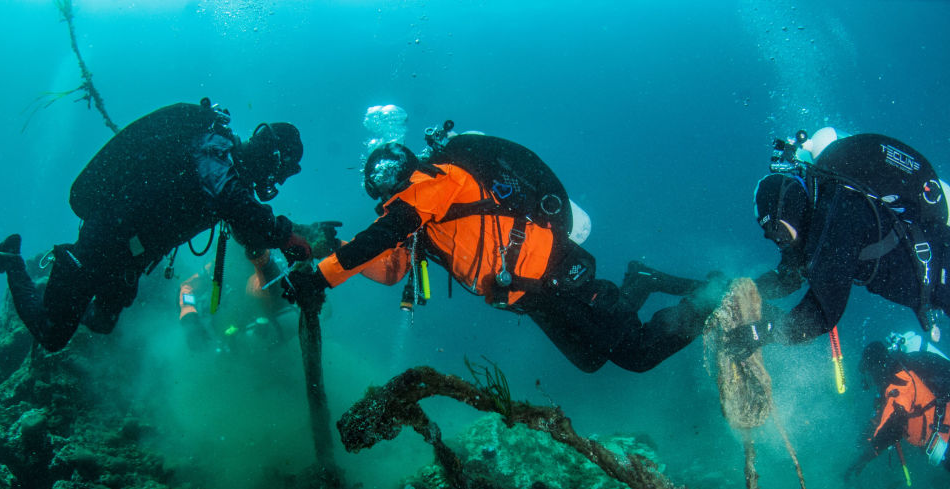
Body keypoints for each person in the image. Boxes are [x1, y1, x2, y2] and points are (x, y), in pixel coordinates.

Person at [287, 126, 724, 373]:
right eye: (376, 179)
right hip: (526, 295)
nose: (385, 181)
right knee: (591, 359)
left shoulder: (437, 181)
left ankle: (710, 303)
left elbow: (380, 236)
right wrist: (334, 247)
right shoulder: (415, 221)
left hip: (553, 268)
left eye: (388, 170)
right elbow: (390, 269)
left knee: (636, 353)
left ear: (406, 163)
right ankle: (640, 280)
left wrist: (320, 276)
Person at [0, 98, 316, 352]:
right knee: (52, 335)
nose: (276, 181)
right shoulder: (214, 147)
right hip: (106, 238)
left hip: (128, 257)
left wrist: (291, 245)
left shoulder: (229, 173)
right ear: (271, 153)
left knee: (101, 320)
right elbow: (231, 201)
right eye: (280, 170)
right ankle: (14, 259)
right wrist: (285, 234)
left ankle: (64, 286)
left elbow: (245, 226)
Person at [727, 128, 950, 360]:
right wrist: (741, 289)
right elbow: (788, 278)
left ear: (790, 209)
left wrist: (763, 332)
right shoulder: (820, 219)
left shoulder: (840, 213)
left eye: (778, 232)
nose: (780, 243)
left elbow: (823, 313)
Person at [846, 340, 950, 478]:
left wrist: (866, 456)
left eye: (869, 373)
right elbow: (883, 415)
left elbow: (894, 425)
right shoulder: (893, 378)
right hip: (941, 440)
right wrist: (866, 435)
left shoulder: (898, 379)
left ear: (876, 366)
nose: (869, 381)